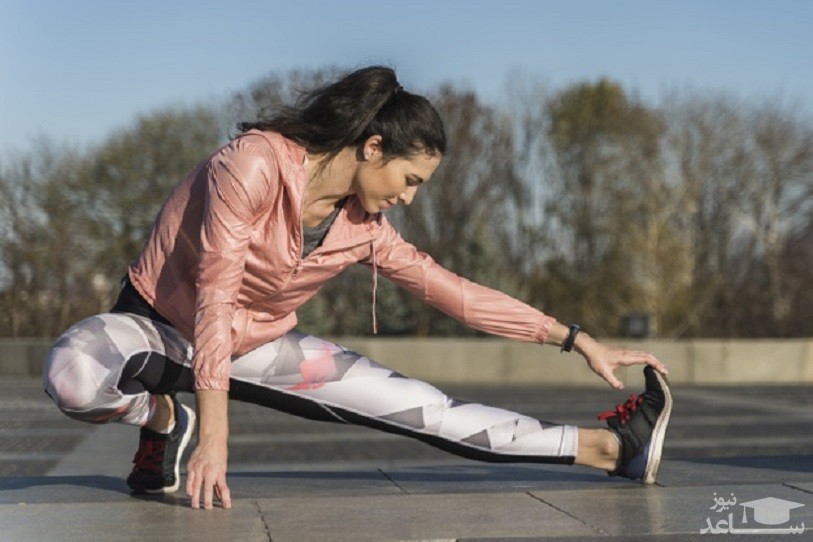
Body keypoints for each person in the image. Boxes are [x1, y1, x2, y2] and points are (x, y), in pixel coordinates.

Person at [43, 66, 672, 511]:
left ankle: (615, 450)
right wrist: (213, 435)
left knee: (435, 414)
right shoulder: (254, 163)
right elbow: (214, 294)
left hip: (258, 345)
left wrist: (575, 338)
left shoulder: (364, 228)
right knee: (73, 370)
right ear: (373, 146)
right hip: (159, 323)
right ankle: (162, 420)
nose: (408, 196)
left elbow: (455, 293)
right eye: (410, 177)